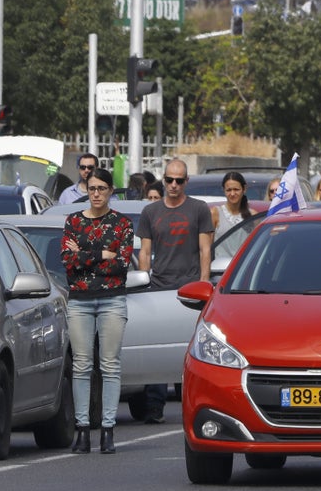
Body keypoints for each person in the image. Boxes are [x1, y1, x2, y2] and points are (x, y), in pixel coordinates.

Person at [61, 168, 133, 453]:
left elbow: (121, 264)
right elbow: (68, 261)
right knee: (81, 365)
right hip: (79, 299)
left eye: (102, 188)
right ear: (86, 190)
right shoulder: (73, 221)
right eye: (92, 188)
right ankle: (82, 430)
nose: (96, 193)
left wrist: (84, 255)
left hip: (113, 299)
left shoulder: (122, 224)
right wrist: (102, 253)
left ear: (110, 191)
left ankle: (107, 429)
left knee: (110, 365)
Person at [136, 158, 214, 423]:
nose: (173, 185)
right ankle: (154, 408)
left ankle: (191, 408)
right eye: (169, 179)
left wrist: (204, 285)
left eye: (179, 181)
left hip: (190, 290)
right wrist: (143, 282)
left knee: (191, 350)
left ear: (186, 182)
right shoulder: (151, 212)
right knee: (158, 348)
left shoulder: (199, 209)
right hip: (158, 288)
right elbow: (145, 252)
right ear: (164, 179)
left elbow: (206, 250)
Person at [211, 171, 250, 239]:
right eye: (229, 190)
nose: (232, 194)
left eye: (236, 189)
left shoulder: (253, 216)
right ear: (224, 190)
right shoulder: (215, 213)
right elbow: (207, 246)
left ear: (244, 189)